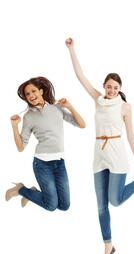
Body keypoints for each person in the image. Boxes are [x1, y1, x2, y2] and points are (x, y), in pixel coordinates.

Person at [65, 37, 134, 254]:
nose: (111, 89)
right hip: (99, 154)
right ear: (104, 86)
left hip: (117, 154)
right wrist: (72, 49)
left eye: (116, 87)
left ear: (120, 89)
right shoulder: (98, 100)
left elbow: (131, 136)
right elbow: (80, 77)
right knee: (100, 205)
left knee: (115, 200)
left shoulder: (125, 107)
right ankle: (108, 244)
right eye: (108, 86)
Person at [6, 77, 85, 212]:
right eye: (27, 94)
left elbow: (82, 125)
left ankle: (31, 194)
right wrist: (14, 127)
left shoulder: (57, 108)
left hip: (59, 163)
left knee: (64, 206)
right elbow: (20, 147)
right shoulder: (29, 117)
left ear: (41, 91)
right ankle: (21, 190)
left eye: (33, 91)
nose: (31, 95)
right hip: (42, 164)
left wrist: (70, 107)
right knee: (51, 206)